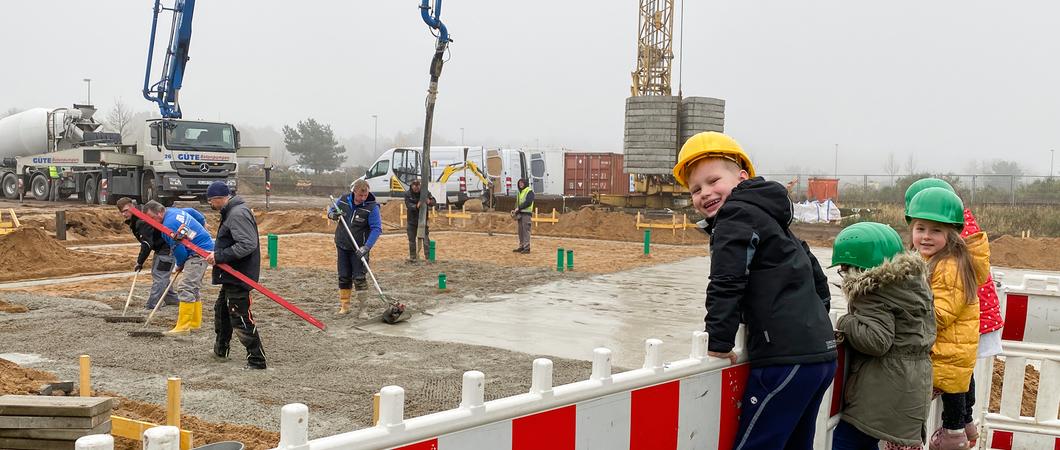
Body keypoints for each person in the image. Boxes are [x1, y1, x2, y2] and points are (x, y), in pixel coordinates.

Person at [671, 131, 837, 450]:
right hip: (820, 355)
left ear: (742, 177)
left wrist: (718, 341)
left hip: (785, 358)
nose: (705, 193)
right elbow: (816, 275)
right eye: (695, 189)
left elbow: (727, 280)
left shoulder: (735, 216)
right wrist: (812, 324)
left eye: (713, 180)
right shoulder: (773, 220)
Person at [905, 178, 1005, 447]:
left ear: (952, 234)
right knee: (959, 380)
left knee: (952, 383)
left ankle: (954, 435)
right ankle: (962, 427)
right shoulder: (942, 255)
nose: (926, 236)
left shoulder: (950, 265)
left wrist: (904, 313)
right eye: (920, 228)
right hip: (959, 340)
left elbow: (940, 313)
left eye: (935, 231)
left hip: (949, 343)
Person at [830, 222, 935, 450]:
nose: (844, 273)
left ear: (858, 267)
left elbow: (877, 341)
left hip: (882, 389)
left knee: (845, 443)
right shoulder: (912, 285)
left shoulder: (873, 291)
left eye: (845, 268)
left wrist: (845, 322)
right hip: (912, 382)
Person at [204, 181, 267, 370]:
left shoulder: (237, 214)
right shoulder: (232, 212)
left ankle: (257, 359)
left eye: (211, 202)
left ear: (218, 198)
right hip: (231, 274)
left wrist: (220, 256)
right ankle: (220, 350)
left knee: (239, 316)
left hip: (239, 274)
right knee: (222, 311)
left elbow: (247, 244)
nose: (211, 206)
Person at [143, 200, 214, 335]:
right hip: (203, 248)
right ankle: (194, 324)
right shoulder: (173, 211)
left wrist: (180, 264)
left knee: (186, 287)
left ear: (160, 212)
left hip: (198, 253)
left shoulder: (168, 226)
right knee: (193, 288)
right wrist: (203, 223)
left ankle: (183, 327)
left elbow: (179, 249)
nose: (152, 222)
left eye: (152, 218)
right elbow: (193, 212)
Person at [327, 179, 382, 316]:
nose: (362, 198)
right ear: (354, 192)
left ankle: (363, 309)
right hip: (342, 244)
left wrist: (367, 247)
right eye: (360, 196)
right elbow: (331, 210)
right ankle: (345, 306)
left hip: (359, 248)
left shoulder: (372, 207)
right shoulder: (344, 200)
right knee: (344, 276)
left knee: (359, 277)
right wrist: (333, 215)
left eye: (365, 195)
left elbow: (376, 229)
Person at [116, 197, 179, 310]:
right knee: (159, 274)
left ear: (133, 207)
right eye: (122, 212)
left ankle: (152, 305)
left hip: (168, 248)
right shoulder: (136, 220)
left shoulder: (141, 221)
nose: (124, 214)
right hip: (161, 248)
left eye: (126, 210)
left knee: (160, 275)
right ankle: (171, 299)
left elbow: (147, 244)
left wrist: (140, 262)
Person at [404, 178, 436, 261]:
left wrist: (429, 201)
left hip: (422, 221)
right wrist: (416, 206)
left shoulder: (425, 192)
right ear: (411, 185)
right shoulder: (408, 194)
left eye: (418, 185)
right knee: (412, 241)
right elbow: (408, 205)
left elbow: (434, 202)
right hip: (412, 221)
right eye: (414, 185)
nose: (416, 187)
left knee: (426, 240)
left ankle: (428, 257)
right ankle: (413, 257)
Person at [511, 178, 534, 253]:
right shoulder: (519, 192)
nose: (520, 184)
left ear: (525, 183)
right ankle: (521, 246)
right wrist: (516, 211)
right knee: (520, 231)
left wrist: (519, 208)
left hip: (526, 214)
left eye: (522, 183)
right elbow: (517, 203)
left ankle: (527, 248)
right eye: (519, 183)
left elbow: (528, 202)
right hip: (520, 214)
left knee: (525, 231)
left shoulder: (529, 191)